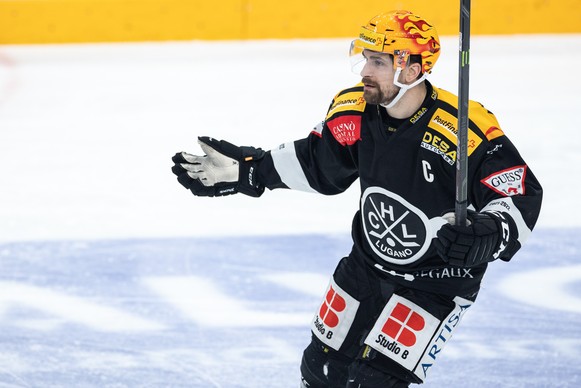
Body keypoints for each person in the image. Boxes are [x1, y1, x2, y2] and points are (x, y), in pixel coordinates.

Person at [171, 10, 543, 388]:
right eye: (365, 58)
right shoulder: (354, 111)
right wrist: (251, 171)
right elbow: (319, 165)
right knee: (321, 370)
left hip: (436, 283)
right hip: (366, 265)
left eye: (378, 61)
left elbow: (518, 191)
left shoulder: (464, 127)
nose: (365, 69)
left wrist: (490, 232)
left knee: (374, 382)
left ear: (411, 70)